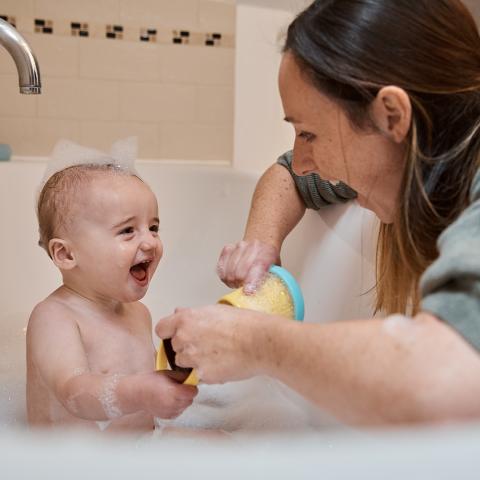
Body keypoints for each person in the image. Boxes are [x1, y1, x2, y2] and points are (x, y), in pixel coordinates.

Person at [156, 0, 480, 425]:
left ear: (392, 116)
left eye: (309, 133)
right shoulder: (417, 153)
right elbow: (288, 174)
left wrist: (254, 343)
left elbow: (447, 378)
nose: (305, 158)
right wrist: (260, 247)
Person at [27, 153, 197, 433]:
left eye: (153, 227)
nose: (150, 241)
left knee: (218, 442)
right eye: (128, 230)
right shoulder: (54, 317)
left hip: (134, 453)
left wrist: (180, 365)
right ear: (66, 253)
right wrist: (141, 392)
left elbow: (150, 384)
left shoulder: (138, 313)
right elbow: (74, 392)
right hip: (69, 465)